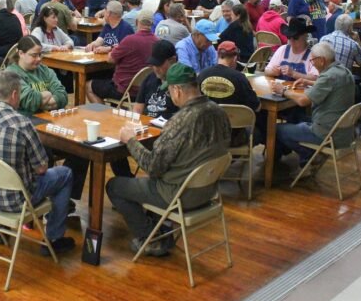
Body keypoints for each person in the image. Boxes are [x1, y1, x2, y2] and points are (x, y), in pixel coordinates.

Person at [107, 63, 231, 256]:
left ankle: (151, 238)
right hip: (210, 191)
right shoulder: (219, 112)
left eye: (170, 91)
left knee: (115, 186)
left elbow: (153, 167)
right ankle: (159, 228)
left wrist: (130, 140)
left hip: (179, 195)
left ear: (177, 90)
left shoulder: (180, 121)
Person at [0, 70, 76, 254]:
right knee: (65, 174)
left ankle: (0, 232)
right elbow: (42, 167)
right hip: (17, 201)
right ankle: (54, 238)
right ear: (14, 94)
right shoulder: (22, 123)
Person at [273, 42, 355, 169]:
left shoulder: (328, 76)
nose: (312, 64)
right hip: (344, 133)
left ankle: (306, 155)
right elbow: (330, 86)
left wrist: (283, 91)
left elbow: (303, 101)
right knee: (297, 118)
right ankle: (307, 156)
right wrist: (309, 82)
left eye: (312, 61)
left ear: (321, 60)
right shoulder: (344, 71)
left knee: (276, 129)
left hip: (326, 133)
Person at [87, 9, 158, 104]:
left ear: (137, 22)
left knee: (89, 86)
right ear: (152, 23)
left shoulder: (130, 40)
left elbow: (110, 59)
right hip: (145, 90)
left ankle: (104, 116)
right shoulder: (157, 41)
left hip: (125, 90)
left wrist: (112, 49)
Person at [6, 36, 68, 116]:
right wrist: (49, 94)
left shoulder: (45, 70)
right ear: (21, 53)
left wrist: (40, 103)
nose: (39, 59)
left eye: (40, 54)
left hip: (50, 118)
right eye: (34, 55)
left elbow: (63, 96)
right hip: (25, 121)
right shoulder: (10, 74)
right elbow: (30, 100)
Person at [198, 42, 260, 113]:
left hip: (207, 121)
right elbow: (256, 107)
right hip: (233, 122)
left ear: (218, 56)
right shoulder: (239, 78)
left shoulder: (202, 74)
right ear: (235, 58)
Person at [134, 40, 179, 119]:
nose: (155, 68)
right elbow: (138, 107)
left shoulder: (181, 82)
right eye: (153, 64)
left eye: (159, 65)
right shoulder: (149, 78)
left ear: (172, 60)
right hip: (145, 125)